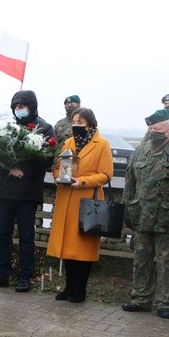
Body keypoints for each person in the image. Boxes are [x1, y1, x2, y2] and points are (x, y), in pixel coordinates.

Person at [121, 109, 169, 319]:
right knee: (141, 259)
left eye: (158, 128)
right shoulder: (141, 150)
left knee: (166, 261)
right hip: (142, 215)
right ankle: (140, 299)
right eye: (151, 128)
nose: (153, 131)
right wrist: (128, 208)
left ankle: (164, 302)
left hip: (168, 217)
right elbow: (130, 183)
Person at [0, 90, 56, 292]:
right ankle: (2, 273)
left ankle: (25, 277)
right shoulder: (6, 126)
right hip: (5, 190)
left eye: (22, 106)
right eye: (16, 107)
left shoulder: (44, 128)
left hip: (27, 192)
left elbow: (48, 158)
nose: (19, 110)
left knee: (26, 236)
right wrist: (9, 168)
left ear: (31, 106)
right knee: (3, 235)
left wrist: (24, 171)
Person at [46, 108, 113, 303]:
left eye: (80, 122)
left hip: (87, 201)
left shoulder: (102, 144)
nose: (76, 125)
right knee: (68, 247)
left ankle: (80, 289)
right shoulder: (68, 143)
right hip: (67, 199)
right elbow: (58, 167)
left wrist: (82, 181)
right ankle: (68, 287)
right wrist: (59, 177)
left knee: (83, 248)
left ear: (90, 124)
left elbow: (106, 174)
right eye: (74, 121)